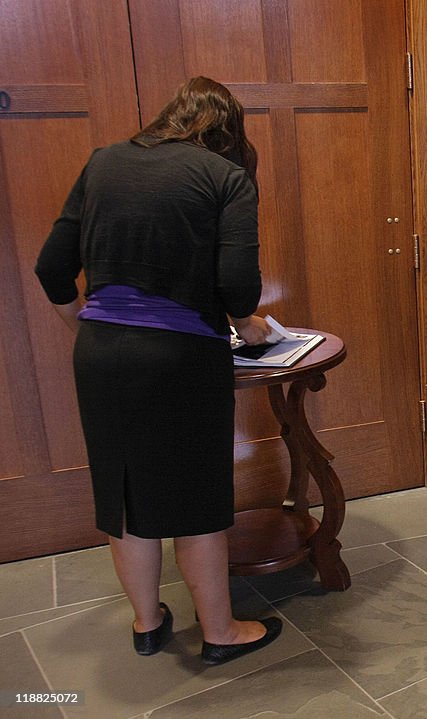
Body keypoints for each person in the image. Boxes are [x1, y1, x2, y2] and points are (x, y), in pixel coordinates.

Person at [35, 77, 283, 665]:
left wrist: (90, 327)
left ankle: (147, 625)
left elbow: (51, 269)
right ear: (228, 135)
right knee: (195, 499)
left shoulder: (102, 163)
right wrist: (250, 326)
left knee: (125, 497)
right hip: (179, 361)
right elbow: (237, 287)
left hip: (100, 354)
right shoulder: (226, 178)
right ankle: (220, 633)